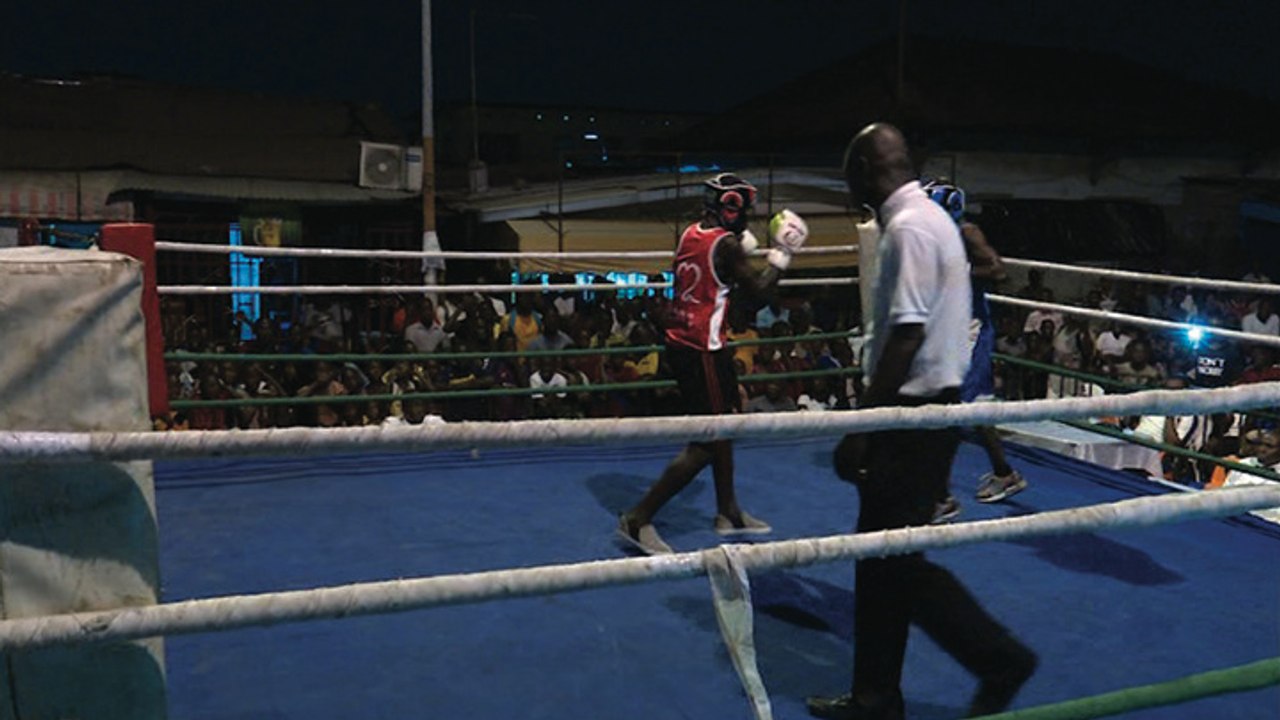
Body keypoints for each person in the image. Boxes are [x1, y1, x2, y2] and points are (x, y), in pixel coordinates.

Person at [813, 123, 1036, 720]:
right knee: (883, 560)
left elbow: (907, 334)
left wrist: (863, 427)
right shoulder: (931, 218)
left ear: (864, 170)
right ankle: (876, 698)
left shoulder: (911, 227)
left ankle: (999, 659)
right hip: (930, 411)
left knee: (895, 562)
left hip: (911, 416)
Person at [617, 172, 808, 555]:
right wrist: (782, 255)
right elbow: (759, 296)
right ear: (731, 208)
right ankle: (638, 518)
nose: (747, 217)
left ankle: (728, 511)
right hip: (701, 347)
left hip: (691, 343)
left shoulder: (690, 233)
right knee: (708, 441)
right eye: (744, 210)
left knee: (726, 425)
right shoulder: (727, 246)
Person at [921, 179, 1027, 519]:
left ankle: (940, 496)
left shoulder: (968, 232)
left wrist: (959, 271)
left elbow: (998, 270)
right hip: (947, 326)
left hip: (970, 329)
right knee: (968, 408)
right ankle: (1004, 473)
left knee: (954, 410)